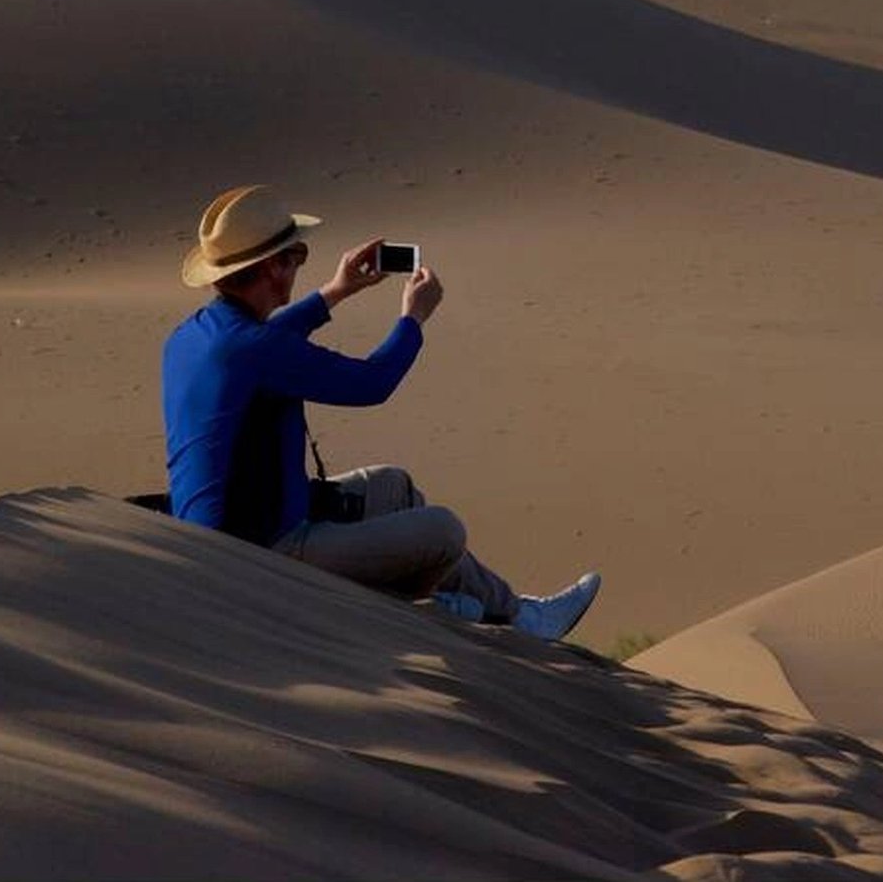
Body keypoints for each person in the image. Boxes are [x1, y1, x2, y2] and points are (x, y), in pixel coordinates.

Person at [161, 184, 601, 640]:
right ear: (274, 267)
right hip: (261, 554)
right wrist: (414, 319)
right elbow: (372, 383)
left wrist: (336, 290)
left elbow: (267, 343)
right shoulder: (255, 348)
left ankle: (514, 614)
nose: (298, 266)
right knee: (443, 532)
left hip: (237, 530)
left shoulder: (195, 336)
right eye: (297, 256)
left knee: (392, 487)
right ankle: (422, 614)